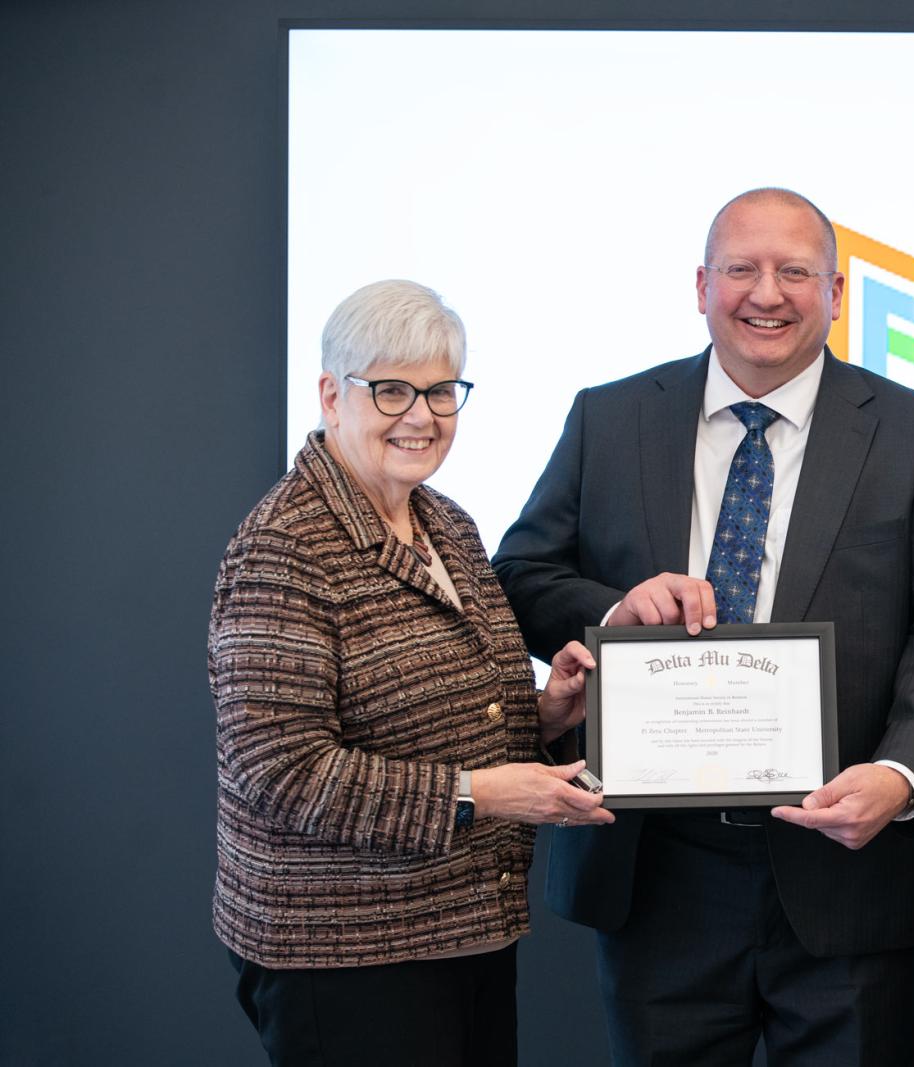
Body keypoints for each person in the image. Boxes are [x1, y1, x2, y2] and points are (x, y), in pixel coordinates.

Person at [492, 188, 914, 1065]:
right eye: (742, 269)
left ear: (837, 293)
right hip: (658, 875)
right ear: (701, 285)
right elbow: (522, 575)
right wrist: (612, 611)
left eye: (795, 270)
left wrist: (901, 774)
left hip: (849, 863)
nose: (767, 292)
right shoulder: (607, 418)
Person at [209, 279, 613, 1066]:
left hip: (464, 926)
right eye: (391, 389)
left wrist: (549, 712)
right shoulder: (283, 547)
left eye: (440, 390)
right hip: (345, 953)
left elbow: (461, 715)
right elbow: (281, 770)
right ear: (331, 394)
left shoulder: (447, 522)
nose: (421, 415)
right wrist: (483, 793)